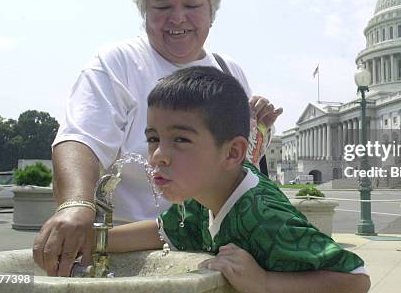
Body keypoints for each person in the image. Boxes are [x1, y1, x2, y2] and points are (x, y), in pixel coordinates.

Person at [33, 0, 283, 277]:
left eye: (192, 5)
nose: (177, 17)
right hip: (129, 243)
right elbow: (81, 138)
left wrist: (259, 132)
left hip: (214, 245)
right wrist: (76, 203)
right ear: (144, 15)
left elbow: (235, 162)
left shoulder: (229, 71)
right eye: (162, 6)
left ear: (212, 12)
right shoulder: (117, 62)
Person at [107, 67, 370, 293]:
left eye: (181, 139)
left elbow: (356, 278)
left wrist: (265, 282)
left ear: (232, 153)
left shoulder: (264, 216)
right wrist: (91, 239)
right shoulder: (204, 195)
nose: (158, 156)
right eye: (153, 138)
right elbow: (160, 231)